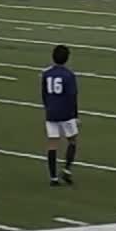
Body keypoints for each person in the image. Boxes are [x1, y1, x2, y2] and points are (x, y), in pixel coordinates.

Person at [41, 45, 79, 187]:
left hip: (51, 112)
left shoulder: (46, 74)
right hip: (66, 113)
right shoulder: (68, 75)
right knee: (72, 140)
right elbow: (72, 96)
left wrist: (48, 107)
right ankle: (67, 169)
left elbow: (44, 94)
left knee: (52, 143)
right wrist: (74, 114)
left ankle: (53, 177)